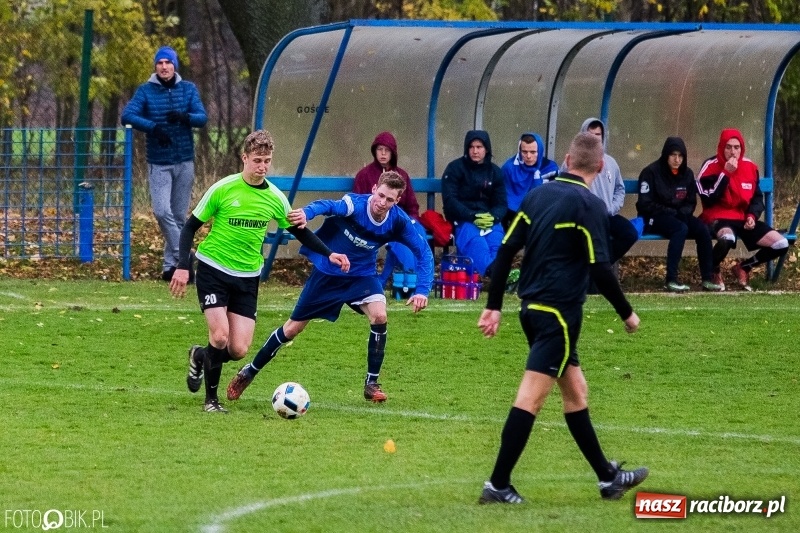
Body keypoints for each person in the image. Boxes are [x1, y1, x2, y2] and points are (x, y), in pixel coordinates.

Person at [476, 132, 648, 505]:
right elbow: (601, 270)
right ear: (600, 167)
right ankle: (497, 485)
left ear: (567, 160)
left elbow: (505, 252)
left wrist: (493, 305)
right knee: (530, 399)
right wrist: (627, 313)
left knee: (576, 391)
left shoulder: (538, 195)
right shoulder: (589, 206)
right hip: (557, 315)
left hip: (531, 310)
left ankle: (607, 478)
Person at [169, 130, 349, 413]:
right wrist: (182, 265)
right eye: (257, 160)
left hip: (248, 276)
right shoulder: (223, 189)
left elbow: (299, 232)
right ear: (244, 158)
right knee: (219, 336)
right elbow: (190, 226)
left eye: (267, 161)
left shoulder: (275, 198)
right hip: (213, 269)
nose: (262, 166)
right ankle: (211, 401)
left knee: (238, 348)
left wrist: (330, 253)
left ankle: (200, 356)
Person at [226, 171, 434, 404]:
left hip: (361, 276)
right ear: (375, 189)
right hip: (328, 273)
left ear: (397, 201)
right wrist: (307, 212)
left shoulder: (398, 221)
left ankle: (371, 383)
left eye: (389, 200)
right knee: (292, 329)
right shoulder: (354, 205)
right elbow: (327, 205)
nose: (382, 203)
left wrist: (422, 289)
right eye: (381, 195)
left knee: (379, 316)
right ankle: (249, 371)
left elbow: (423, 251)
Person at [122, 46, 208, 282]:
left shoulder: (188, 89)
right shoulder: (146, 91)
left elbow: (202, 117)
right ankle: (187, 256)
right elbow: (127, 115)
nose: (164, 67)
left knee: (179, 216)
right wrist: (153, 127)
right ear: (155, 67)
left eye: (168, 62)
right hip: (159, 161)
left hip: (184, 161)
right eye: (159, 63)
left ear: (175, 65)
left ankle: (171, 268)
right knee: (162, 211)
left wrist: (185, 117)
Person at [697, 128, 789, 291]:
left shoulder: (750, 167)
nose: (733, 152)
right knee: (728, 239)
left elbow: (757, 198)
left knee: (781, 243)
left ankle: (744, 267)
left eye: (737, 147)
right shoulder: (710, 166)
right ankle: (713, 270)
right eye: (728, 147)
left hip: (742, 218)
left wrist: (752, 215)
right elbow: (707, 197)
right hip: (717, 217)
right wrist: (726, 173)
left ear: (742, 148)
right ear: (721, 147)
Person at [636, 137, 723, 292]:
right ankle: (671, 279)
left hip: (678, 215)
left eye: (680, 156)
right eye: (673, 155)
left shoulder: (687, 174)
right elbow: (645, 204)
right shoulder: (650, 172)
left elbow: (691, 202)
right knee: (680, 229)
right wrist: (669, 212)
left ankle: (707, 279)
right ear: (665, 155)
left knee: (702, 229)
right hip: (653, 217)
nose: (677, 160)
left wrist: (683, 213)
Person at [353, 131, 428, 287]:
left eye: (387, 150)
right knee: (397, 236)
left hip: (400, 220)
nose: (383, 153)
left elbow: (412, 205)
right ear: (374, 151)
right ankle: (405, 277)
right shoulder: (364, 175)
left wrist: (413, 220)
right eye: (379, 149)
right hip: (372, 222)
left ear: (393, 153)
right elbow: (357, 202)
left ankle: (416, 279)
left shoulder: (402, 175)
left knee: (416, 233)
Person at [562, 118, 638, 264]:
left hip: (607, 215)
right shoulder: (572, 162)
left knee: (629, 234)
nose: (595, 139)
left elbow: (620, 189)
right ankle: (593, 268)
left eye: (598, 135)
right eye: (591, 135)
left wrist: (611, 208)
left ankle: (602, 265)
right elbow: (563, 187)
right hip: (582, 217)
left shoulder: (610, 162)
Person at [441, 130, 507, 276]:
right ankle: (495, 273)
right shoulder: (455, 168)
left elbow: (501, 203)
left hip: (489, 220)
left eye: (479, 147)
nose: (475, 151)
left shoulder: (495, 172)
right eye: (471, 147)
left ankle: (498, 273)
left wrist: (493, 217)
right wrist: (472, 216)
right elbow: (450, 201)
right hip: (464, 220)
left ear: (487, 149)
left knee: (496, 241)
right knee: (477, 243)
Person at [500, 132, 559, 230]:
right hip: (511, 217)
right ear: (519, 151)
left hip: (540, 216)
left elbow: (552, 199)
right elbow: (501, 198)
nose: (528, 156)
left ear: (539, 151)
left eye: (533, 152)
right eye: (524, 152)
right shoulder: (509, 168)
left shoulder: (550, 169)